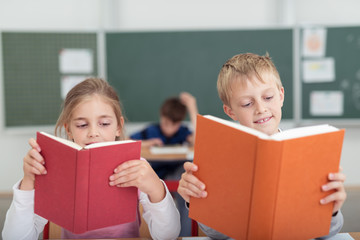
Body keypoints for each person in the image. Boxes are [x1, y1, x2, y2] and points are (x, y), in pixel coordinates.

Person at [177, 53, 347, 239]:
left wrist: (331, 212)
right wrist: (196, 200)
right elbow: (217, 235)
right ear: (230, 111)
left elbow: (329, 234)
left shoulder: (307, 152)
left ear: (281, 95)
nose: (260, 109)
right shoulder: (221, 159)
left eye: (268, 97)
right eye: (247, 103)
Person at [2, 78, 180, 239]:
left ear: (118, 126)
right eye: (82, 125)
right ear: (69, 130)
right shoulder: (55, 170)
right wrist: (28, 183)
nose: (93, 133)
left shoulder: (135, 167)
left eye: (104, 124)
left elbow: (168, 235)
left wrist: (156, 188)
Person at [129, 92, 198, 237]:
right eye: (166, 123)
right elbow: (127, 141)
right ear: (161, 117)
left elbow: (200, 140)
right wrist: (148, 143)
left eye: (175, 124)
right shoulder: (151, 131)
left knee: (186, 179)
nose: (170, 128)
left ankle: (185, 235)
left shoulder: (183, 132)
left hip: (176, 178)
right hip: (155, 178)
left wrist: (192, 108)